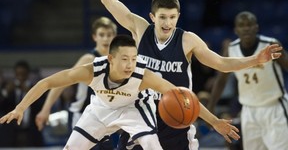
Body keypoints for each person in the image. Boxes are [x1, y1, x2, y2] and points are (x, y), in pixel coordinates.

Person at [97, 0, 282, 150]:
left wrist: (255, 59)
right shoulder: (140, 29)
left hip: (177, 118)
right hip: (142, 116)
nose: (168, 23)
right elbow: (109, 0)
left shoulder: (187, 40)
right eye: (163, 17)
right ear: (152, 17)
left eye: (172, 17)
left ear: (178, 17)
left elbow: (221, 63)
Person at [0, 35, 241, 150]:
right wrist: (21, 107)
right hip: (100, 110)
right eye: (125, 59)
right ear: (111, 58)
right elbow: (47, 83)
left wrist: (215, 121)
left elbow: (185, 98)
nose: (130, 64)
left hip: (133, 110)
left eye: (134, 59)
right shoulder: (91, 70)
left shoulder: (143, 75)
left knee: (151, 144)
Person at [207, 11, 288, 150]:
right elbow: (220, 81)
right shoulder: (231, 49)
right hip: (249, 110)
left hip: (274, 107)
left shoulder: (270, 44)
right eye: (241, 25)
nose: (246, 28)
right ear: (236, 30)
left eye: (249, 25)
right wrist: (211, 107)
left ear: (256, 27)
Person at [35, 17, 118, 149]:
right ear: (94, 37)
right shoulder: (89, 58)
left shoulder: (117, 61)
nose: (106, 39)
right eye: (101, 35)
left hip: (105, 116)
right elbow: (62, 84)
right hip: (81, 115)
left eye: (109, 35)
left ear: (115, 37)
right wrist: (46, 109)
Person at [0, 60, 45, 147]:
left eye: (23, 74)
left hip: (31, 132)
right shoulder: (7, 88)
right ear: (15, 74)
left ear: (27, 74)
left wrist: (30, 93)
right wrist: (5, 92)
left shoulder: (35, 88)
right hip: (10, 132)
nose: (20, 77)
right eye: (18, 74)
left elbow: (41, 107)